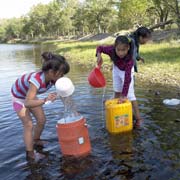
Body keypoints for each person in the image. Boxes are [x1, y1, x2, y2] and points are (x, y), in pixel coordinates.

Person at [11, 52, 70, 160]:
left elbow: (63, 94)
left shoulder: (53, 79)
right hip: (19, 98)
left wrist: (74, 113)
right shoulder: (36, 80)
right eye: (61, 74)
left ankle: (36, 140)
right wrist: (45, 99)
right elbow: (27, 103)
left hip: (29, 95)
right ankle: (30, 154)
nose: (62, 77)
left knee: (41, 120)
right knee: (28, 125)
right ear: (51, 72)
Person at [96, 35, 141, 126]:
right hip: (116, 69)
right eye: (118, 50)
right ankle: (117, 111)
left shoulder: (129, 60)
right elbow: (99, 47)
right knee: (117, 91)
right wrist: (99, 55)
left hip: (126, 71)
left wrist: (124, 95)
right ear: (114, 47)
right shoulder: (111, 50)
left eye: (123, 50)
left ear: (128, 48)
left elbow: (127, 80)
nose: (120, 53)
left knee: (131, 96)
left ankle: (138, 119)